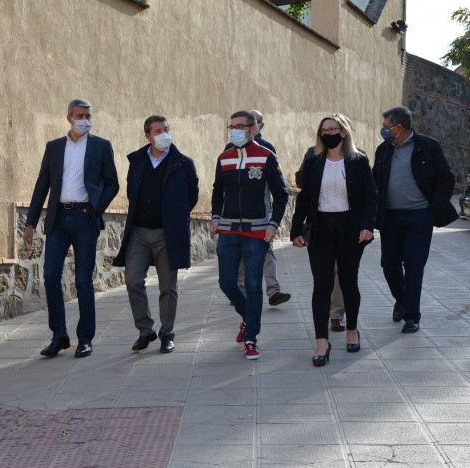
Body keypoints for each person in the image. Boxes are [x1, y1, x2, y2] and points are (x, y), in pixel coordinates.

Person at [23, 99, 119, 358]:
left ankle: (85, 338)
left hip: (85, 219)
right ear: (69, 118)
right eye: (80, 115)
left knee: (83, 280)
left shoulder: (101, 146)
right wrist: (30, 222)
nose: (85, 119)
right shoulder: (54, 147)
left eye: (88, 115)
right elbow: (42, 185)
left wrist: (96, 207)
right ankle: (59, 336)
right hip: (58, 219)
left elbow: (112, 184)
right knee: (51, 275)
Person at [290, 114, 377, 367]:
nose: (328, 132)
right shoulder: (314, 161)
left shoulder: (358, 161)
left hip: (351, 229)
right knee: (322, 285)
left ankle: (351, 330)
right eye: (324, 129)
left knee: (349, 282)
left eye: (333, 128)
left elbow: (371, 196)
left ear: (343, 132)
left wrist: (368, 226)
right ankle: (321, 342)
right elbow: (305, 198)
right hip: (321, 228)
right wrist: (296, 228)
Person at [113, 115, 199, 353]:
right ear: (148, 136)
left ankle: (167, 333)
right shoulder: (138, 161)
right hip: (139, 232)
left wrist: (175, 217)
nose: (163, 134)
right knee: (133, 280)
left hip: (167, 234)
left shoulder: (183, 163)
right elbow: (132, 192)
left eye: (166, 129)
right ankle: (145, 330)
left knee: (167, 287)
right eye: (158, 131)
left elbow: (191, 196)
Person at [373, 106, 458, 333]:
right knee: (389, 265)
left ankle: (412, 316)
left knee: (413, 265)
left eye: (386, 127)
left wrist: (432, 211)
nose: (383, 131)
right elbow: (375, 183)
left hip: (419, 216)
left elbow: (446, 179)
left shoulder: (428, 147)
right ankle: (402, 299)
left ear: (399, 128)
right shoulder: (383, 150)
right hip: (390, 217)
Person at [212, 111, 288, 360]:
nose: (235, 130)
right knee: (227, 283)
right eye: (231, 126)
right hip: (228, 231)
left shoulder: (266, 156)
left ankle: (251, 337)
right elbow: (217, 191)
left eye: (240, 126)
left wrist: (273, 224)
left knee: (254, 285)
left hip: (256, 232)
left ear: (253, 129)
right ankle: (248, 317)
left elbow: (281, 194)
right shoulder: (224, 158)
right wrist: (214, 217)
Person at [224, 110, 291, 312]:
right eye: (233, 127)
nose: (236, 131)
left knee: (267, 250)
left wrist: (272, 218)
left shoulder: (267, 150)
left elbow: (277, 187)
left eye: (259, 122)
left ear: (259, 126)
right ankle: (240, 289)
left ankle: (273, 291)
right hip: (235, 216)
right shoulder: (228, 150)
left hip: (261, 214)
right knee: (241, 254)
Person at [296, 146, 347, 333]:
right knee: (323, 275)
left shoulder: (356, 155)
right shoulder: (313, 153)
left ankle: (336, 315)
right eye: (326, 130)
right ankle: (323, 313)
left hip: (346, 224)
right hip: (319, 223)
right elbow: (301, 182)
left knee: (340, 272)